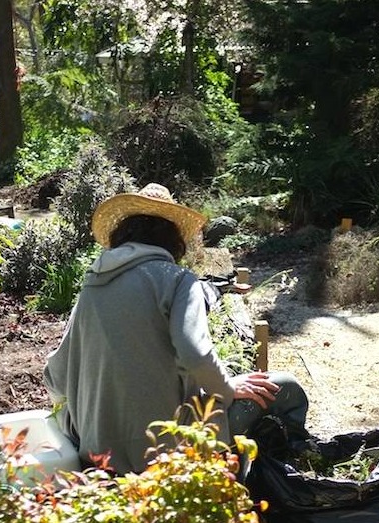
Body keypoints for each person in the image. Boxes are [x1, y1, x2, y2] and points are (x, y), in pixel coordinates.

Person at [43, 183, 308, 474]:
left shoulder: (92, 285)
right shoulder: (178, 279)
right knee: (285, 388)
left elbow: (54, 376)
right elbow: (195, 355)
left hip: (98, 454)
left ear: (121, 234)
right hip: (165, 450)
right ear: (173, 238)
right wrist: (228, 389)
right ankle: (275, 484)